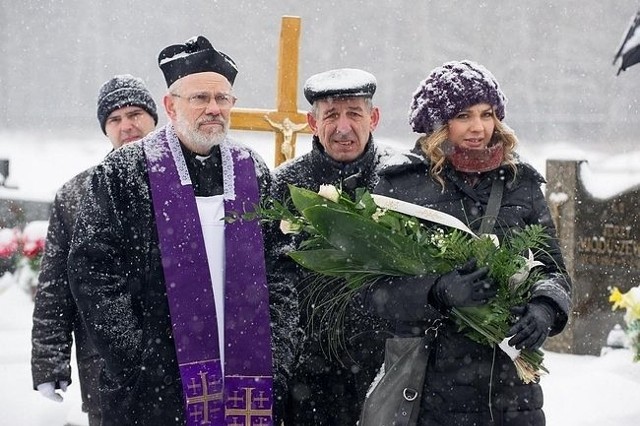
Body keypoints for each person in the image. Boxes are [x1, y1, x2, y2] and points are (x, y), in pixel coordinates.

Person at [67, 36, 298, 425]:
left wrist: (277, 353)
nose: (213, 109)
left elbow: (282, 269)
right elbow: (93, 272)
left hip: (244, 371)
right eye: (200, 98)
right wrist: (136, 357)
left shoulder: (253, 171)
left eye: (222, 99)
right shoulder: (124, 172)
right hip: (154, 384)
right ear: (170, 105)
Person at [366, 60, 572, 425]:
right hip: (429, 392)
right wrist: (436, 292)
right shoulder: (401, 186)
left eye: (488, 114)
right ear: (438, 123)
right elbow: (371, 293)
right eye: (464, 116)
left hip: (512, 393)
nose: (479, 128)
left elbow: (553, 271)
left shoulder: (519, 183)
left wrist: (544, 309)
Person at [270, 68, 396, 425]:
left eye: (354, 114)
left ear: (373, 117)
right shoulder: (284, 185)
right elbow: (270, 278)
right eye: (331, 116)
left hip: (385, 369)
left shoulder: (399, 179)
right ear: (312, 122)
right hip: (308, 377)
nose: (343, 128)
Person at [31, 74, 158, 426]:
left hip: (180, 355)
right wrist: (49, 360)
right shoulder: (75, 194)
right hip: (103, 360)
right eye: (114, 119)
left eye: (135, 114)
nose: (127, 126)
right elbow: (55, 288)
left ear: (155, 118)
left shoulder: (182, 180)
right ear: (105, 129)